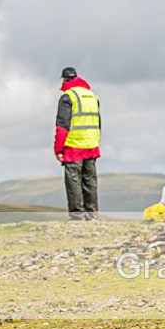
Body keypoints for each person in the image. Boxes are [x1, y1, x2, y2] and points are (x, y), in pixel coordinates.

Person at [54, 67, 101, 221]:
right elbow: (98, 121)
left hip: (74, 145)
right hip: (91, 144)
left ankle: (77, 217)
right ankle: (92, 214)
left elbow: (62, 126)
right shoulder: (92, 96)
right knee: (90, 181)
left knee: (73, 181)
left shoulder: (68, 97)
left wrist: (58, 149)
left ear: (64, 80)